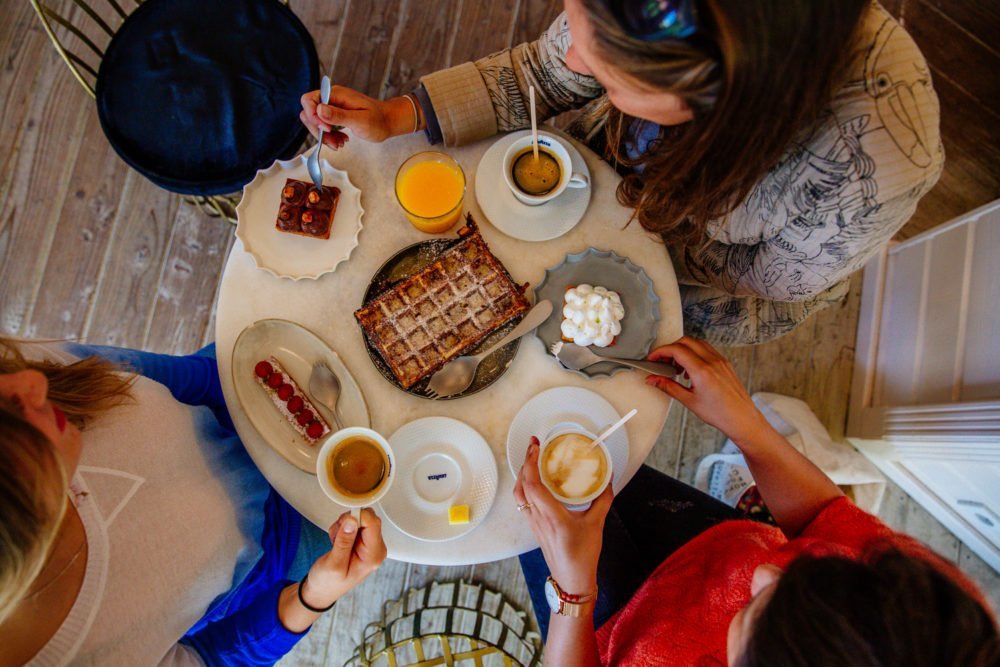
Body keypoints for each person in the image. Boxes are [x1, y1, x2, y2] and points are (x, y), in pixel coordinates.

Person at [299, 0, 942, 345]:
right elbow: (543, 73)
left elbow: (764, 280)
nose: (574, 56)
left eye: (606, 75)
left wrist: (602, 242)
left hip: (705, 277)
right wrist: (398, 113)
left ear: (713, 103)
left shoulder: (879, 164)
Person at [511, 336, 998, 665]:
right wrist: (748, 427)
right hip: (706, 545)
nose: (764, 569)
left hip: (594, 627)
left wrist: (573, 593)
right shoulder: (935, 625)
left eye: (762, 607)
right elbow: (824, 519)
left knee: (516, 489)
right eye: (817, 569)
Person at [0, 337, 387, 666]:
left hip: (250, 388)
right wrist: (312, 596)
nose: (34, 381)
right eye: (15, 419)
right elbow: (213, 658)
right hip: (292, 554)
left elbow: (170, 378)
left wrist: (255, 381)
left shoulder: (14, 376)